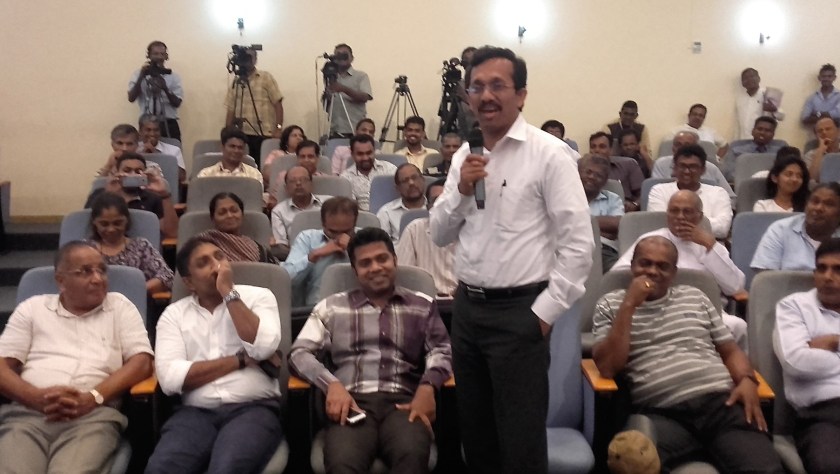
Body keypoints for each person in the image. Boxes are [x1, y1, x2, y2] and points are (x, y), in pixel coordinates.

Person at [430, 46, 593, 473]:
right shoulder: (464, 158)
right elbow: (439, 233)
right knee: (477, 440)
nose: (486, 95)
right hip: (467, 312)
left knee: (520, 445)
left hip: (521, 313)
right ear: (468, 97)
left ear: (521, 95)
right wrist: (462, 192)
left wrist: (543, 315)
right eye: (477, 87)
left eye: (497, 85)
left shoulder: (549, 154)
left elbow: (578, 246)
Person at [592, 236, 784, 473]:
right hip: (661, 412)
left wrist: (746, 379)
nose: (652, 271)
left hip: (720, 404)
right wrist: (629, 304)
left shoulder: (695, 297)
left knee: (765, 469)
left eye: (662, 266)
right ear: (632, 265)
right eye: (645, 263)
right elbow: (609, 367)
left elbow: (730, 349)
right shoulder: (610, 305)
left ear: (673, 272)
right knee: (633, 463)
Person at [289, 228, 453, 474]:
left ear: (395, 261)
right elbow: (299, 353)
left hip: (404, 403)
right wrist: (330, 384)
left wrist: (428, 386)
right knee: (343, 463)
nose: (375, 267)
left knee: (411, 457)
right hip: (352, 403)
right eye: (365, 263)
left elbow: (441, 349)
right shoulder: (331, 308)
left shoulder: (422, 305)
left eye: (382, 259)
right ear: (355, 271)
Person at [0, 241, 153, 473]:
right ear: (60, 281)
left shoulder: (120, 307)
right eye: (85, 272)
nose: (98, 279)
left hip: (93, 418)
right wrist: (35, 398)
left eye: (102, 270)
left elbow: (142, 362)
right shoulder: (32, 309)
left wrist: (93, 398)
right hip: (28, 417)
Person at [147, 236, 284, 473]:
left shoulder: (259, 297)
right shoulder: (173, 315)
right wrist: (239, 360)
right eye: (204, 263)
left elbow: (262, 348)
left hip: (252, 409)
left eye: (219, 257)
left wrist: (228, 293)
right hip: (194, 414)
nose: (216, 265)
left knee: (226, 468)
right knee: (161, 468)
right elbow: (170, 380)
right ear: (189, 282)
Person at [611, 191, 748, 349]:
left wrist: (711, 247)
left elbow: (735, 286)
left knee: (738, 326)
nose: (680, 217)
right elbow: (617, 274)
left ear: (699, 216)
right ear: (667, 214)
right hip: (658, 309)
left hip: (705, 312)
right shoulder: (651, 241)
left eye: (687, 211)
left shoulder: (711, 245)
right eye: (674, 211)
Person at [774, 238, 840, 474]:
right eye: (822, 268)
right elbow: (797, 363)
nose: (828, 276)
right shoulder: (794, 306)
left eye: (837, 269)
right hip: (822, 416)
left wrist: (834, 342)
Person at [87, 192, 173, 294]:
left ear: (126, 221)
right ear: (94, 222)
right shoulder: (85, 249)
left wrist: (135, 290)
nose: (111, 229)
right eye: (104, 224)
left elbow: (167, 277)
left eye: (117, 223)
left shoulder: (141, 246)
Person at [283, 197, 359, 306]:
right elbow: (286, 280)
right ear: (323, 224)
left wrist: (353, 249)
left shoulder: (365, 240)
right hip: (313, 309)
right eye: (333, 231)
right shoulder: (307, 238)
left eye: (346, 231)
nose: (339, 237)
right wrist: (314, 255)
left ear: (354, 225)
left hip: (357, 307)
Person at [648, 145, 733, 239]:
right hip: (668, 245)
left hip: (707, 245)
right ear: (674, 168)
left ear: (703, 170)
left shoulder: (718, 193)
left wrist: (679, 222)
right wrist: (703, 222)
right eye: (682, 166)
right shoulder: (659, 191)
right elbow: (659, 224)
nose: (687, 171)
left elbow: (722, 229)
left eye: (693, 167)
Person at [86, 152, 178, 239]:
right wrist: (109, 195)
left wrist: (165, 195)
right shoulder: (99, 194)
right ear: (116, 172)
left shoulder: (153, 197)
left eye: (138, 171)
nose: (132, 175)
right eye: (127, 170)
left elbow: (172, 232)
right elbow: (88, 229)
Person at [752, 183, 840, 271]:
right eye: (814, 201)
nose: (818, 208)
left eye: (829, 204)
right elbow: (765, 277)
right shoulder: (780, 229)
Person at [224, 47, 284, 166]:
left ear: (255, 59)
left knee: (263, 166)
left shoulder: (265, 77)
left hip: (264, 133)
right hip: (242, 134)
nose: (246, 61)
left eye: (249, 58)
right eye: (244, 58)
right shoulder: (236, 81)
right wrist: (228, 132)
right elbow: (230, 108)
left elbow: (278, 104)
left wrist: (278, 128)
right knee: (244, 167)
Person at [396, 179, 457, 297]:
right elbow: (403, 277)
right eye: (436, 201)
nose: (441, 205)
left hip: (464, 304)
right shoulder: (414, 230)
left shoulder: (472, 232)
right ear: (428, 207)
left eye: (447, 199)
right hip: (426, 305)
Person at [650, 131, 736, 207]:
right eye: (678, 145)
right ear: (673, 148)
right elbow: (657, 193)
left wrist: (723, 210)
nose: (682, 149)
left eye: (687, 145)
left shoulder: (711, 168)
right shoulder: (661, 164)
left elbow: (730, 197)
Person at [197, 192, 278, 264]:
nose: (229, 215)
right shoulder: (203, 244)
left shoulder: (259, 249)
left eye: (234, 210)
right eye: (222, 213)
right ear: (213, 218)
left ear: (242, 214)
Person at [127, 41, 183, 141]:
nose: (159, 57)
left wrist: (165, 88)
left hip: (168, 123)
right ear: (148, 55)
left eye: (162, 54)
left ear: (166, 56)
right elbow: (131, 98)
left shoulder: (173, 77)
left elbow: (177, 103)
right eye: (155, 54)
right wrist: (141, 76)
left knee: (173, 151)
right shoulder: (138, 74)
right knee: (146, 152)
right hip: (146, 123)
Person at [270, 166, 328, 260]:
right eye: (292, 181)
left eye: (303, 180)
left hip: (328, 255)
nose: (298, 183)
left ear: (311, 184)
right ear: (286, 188)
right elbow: (281, 246)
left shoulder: (328, 203)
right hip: (295, 259)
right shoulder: (278, 211)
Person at [579, 155, 624, 272]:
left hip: (604, 251)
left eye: (598, 175)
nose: (592, 177)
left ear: (604, 181)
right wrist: (600, 228)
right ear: (578, 173)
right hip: (571, 246)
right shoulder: (565, 196)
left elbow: (617, 225)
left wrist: (577, 221)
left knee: (618, 274)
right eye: (588, 172)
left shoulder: (613, 199)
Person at [325, 43, 372, 137]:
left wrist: (343, 89)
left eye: (344, 54)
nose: (341, 57)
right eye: (338, 54)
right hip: (335, 130)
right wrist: (327, 97)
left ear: (352, 58)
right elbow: (327, 106)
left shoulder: (361, 76)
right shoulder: (331, 77)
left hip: (355, 130)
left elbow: (365, 97)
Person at [339, 134, 397, 211]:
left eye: (369, 153)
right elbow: (351, 208)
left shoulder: (389, 169)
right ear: (352, 155)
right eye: (360, 154)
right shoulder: (345, 178)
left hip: (389, 214)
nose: (365, 158)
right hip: (362, 219)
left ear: (374, 151)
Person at [589, 131, 644, 212]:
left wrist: (634, 204)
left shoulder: (629, 164)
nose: (597, 150)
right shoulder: (582, 168)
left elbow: (643, 193)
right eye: (593, 147)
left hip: (624, 211)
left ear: (611, 149)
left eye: (602, 147)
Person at [723, 116, 786, 181]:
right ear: (753, 131)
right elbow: (728, 173)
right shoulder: (736, 148)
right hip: (743, 186)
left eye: (767, 130)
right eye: (759, 129)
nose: (762, 133)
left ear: (773, 134)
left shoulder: (780, 150)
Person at [196, 127, 264, 188]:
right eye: (232, 146)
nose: (236, 151)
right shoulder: (206, 175)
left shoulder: (254, 175)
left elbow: (256, 200)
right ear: (222, 147)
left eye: (240, 148)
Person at [267, 139, 325, 208]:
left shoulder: (325, 179)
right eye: (302, 157)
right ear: (297, 158)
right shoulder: (284, 176)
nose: (306, 160)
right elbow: (272, 203)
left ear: (317, 158)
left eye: (310, 156)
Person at [377, 164, 427, 243]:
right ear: (398, 188)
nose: (411, 183)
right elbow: (381, 245)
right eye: (405, 181)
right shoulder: (386, 212)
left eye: (414, 178)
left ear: (423, 180)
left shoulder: (436, 208)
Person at [735, 67, 785, 140]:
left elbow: (781, 116)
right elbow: (738, 124)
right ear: (742, 83)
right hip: (744, 141)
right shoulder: (740, 99)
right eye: (745, 78)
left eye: (752, 76)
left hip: (764, 141)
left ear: (759, 79)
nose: (749, 80)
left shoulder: (768, 94)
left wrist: (774, 110)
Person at [137, 114, 186, 184]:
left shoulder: (173, 150)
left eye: (156, 130)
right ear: (140, 131)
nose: (152, 134)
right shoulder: (133, 149)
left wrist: (157, 156)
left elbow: (182, 177)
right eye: (148, 130)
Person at [806, 116, 840, 181]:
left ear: (838, 131)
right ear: (816, 136)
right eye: (820, 131)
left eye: (828, 129)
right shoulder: (811, 155)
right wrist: (821, 150)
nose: (824, 132)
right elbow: (811, 180)